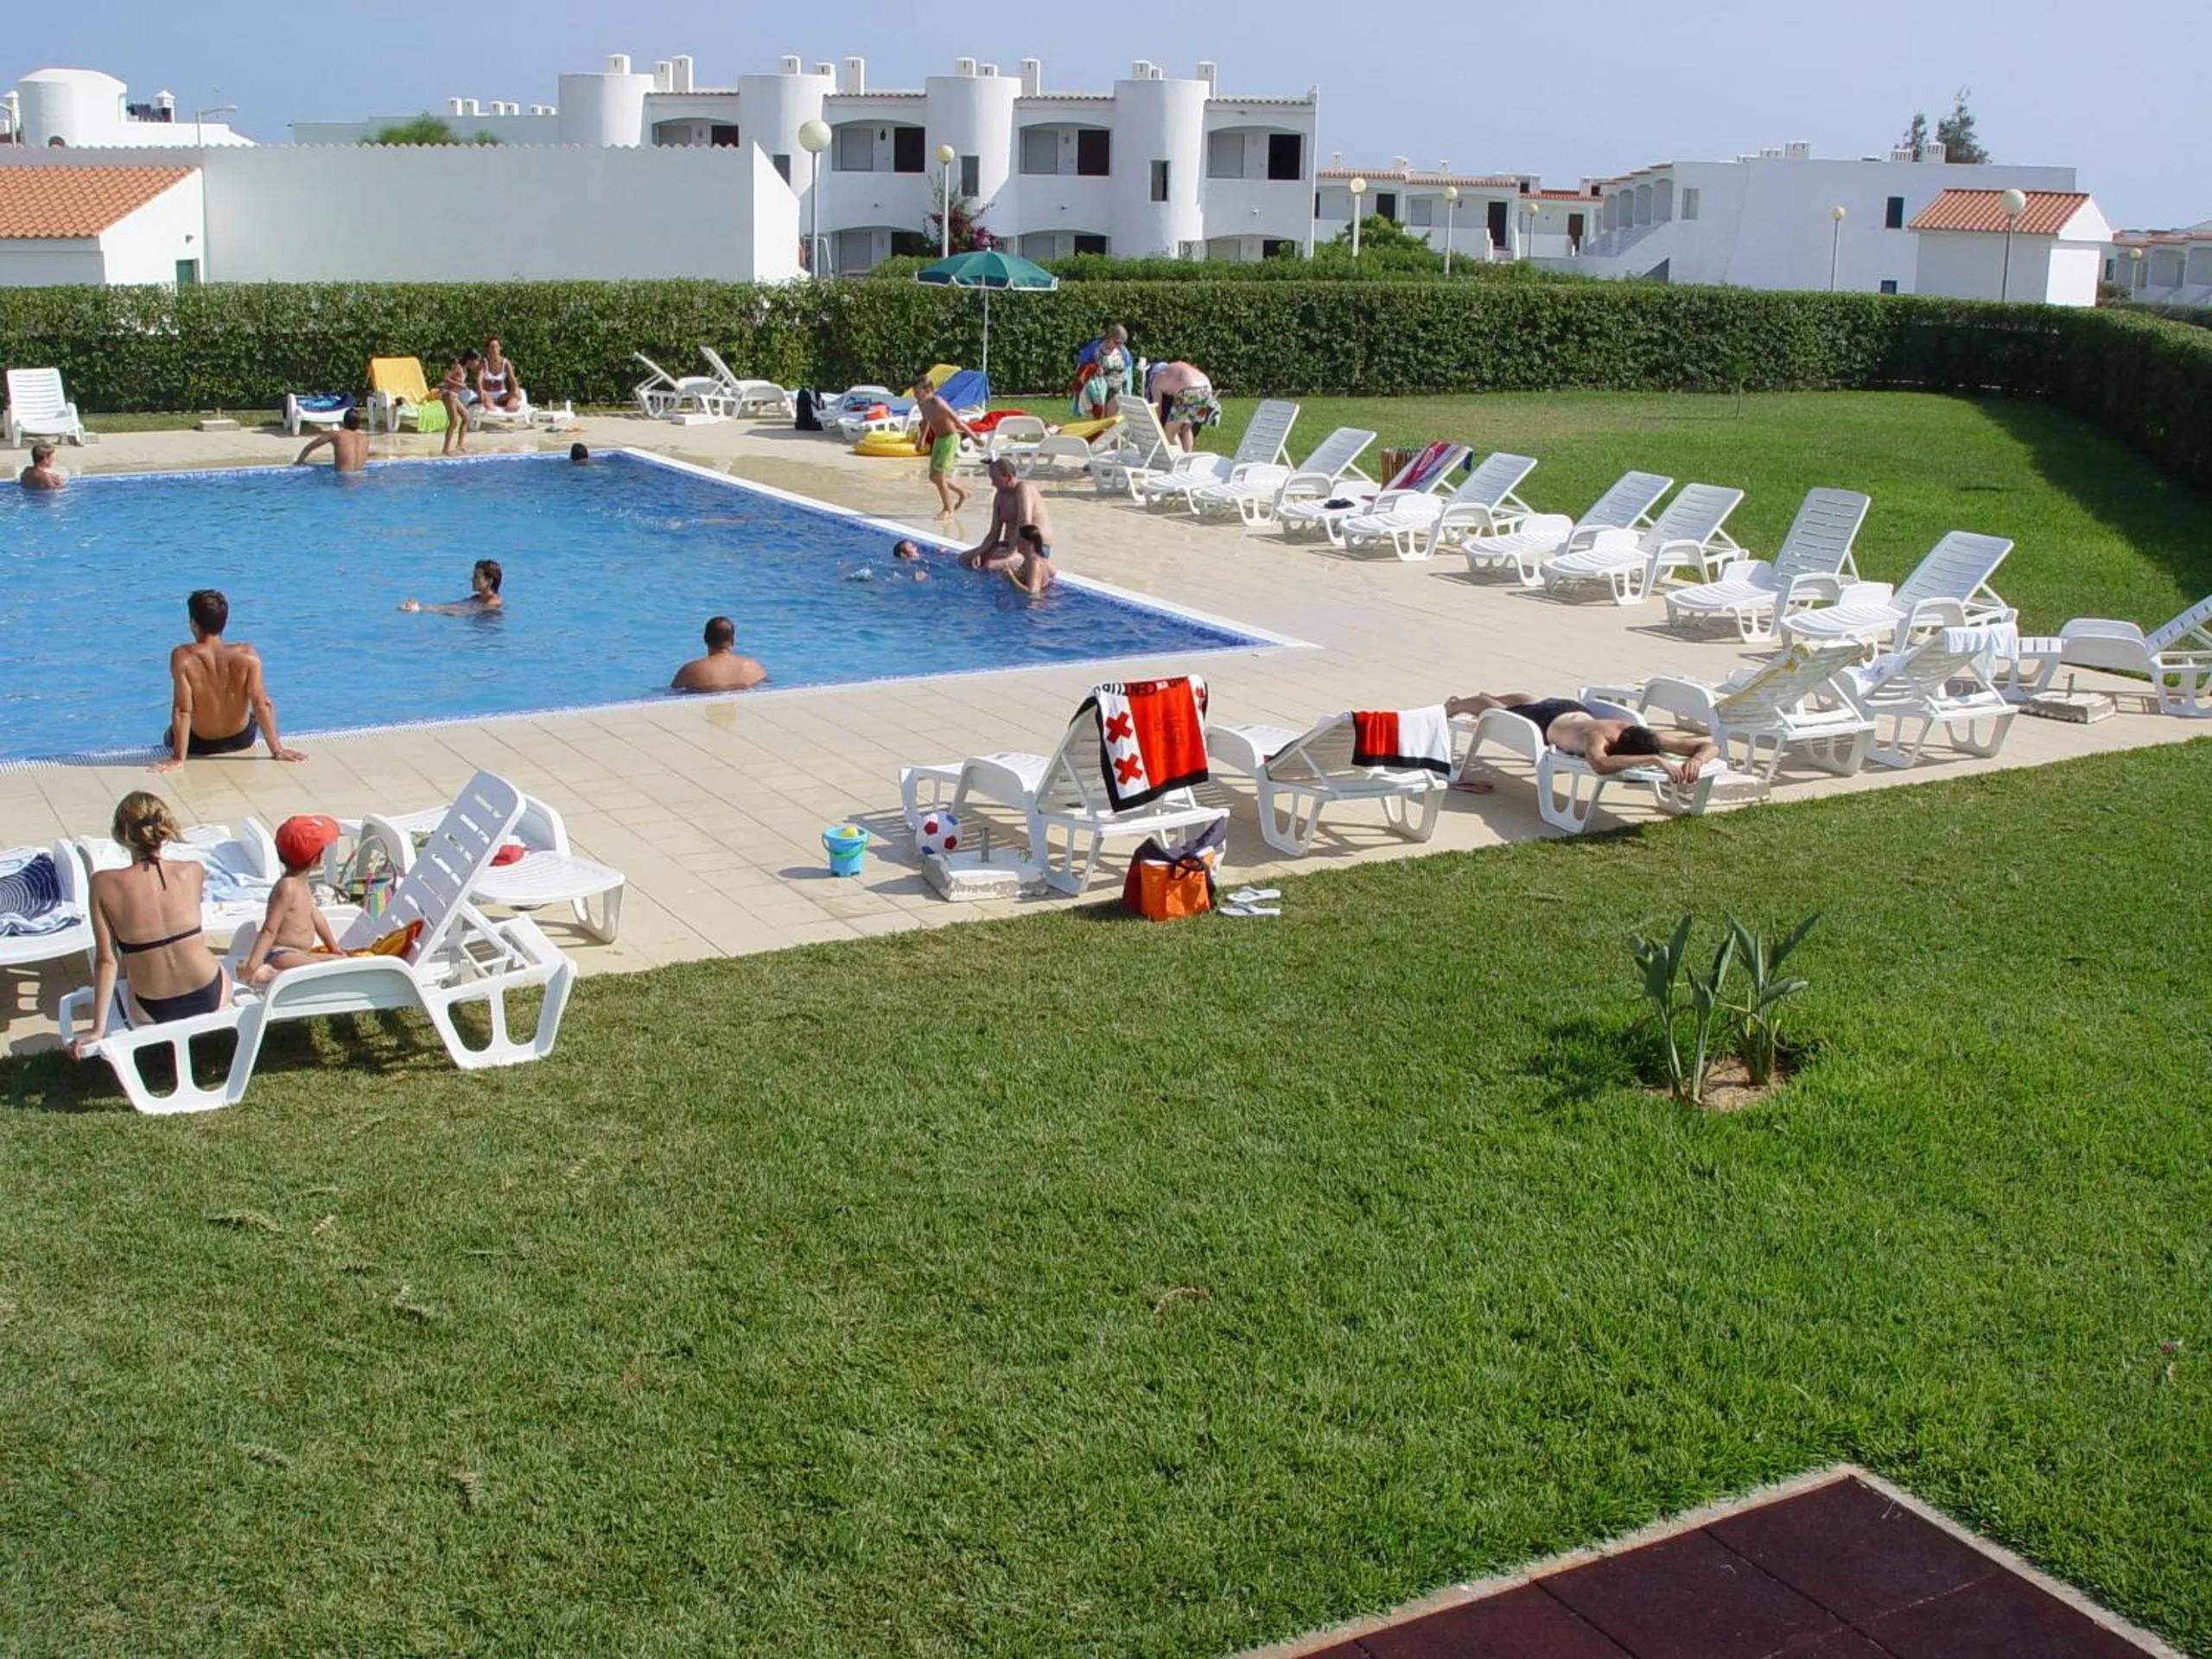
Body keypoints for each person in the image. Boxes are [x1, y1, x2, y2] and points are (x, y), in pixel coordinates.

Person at [68, 792, 231, 1053]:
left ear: (121, 835)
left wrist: (97, 1029)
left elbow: (106, 960)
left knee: (132, 960)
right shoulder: (194, 870)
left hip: (152, 1007)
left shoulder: (102, 884)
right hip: (211, 992)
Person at [155, 589, 307, 773]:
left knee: (169, 733)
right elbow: (262, 704)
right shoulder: (247, 655)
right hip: (241, 739)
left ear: (193, 623)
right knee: (251, 715)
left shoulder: (184, 657)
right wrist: (278, 750)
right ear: (224, 622)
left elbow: (182, 710)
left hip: (199, 744)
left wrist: (178, 758)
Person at [1443, 692, 1719, 789]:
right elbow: (1600, 764)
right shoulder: (1597, 738)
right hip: (1547, 721)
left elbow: (1710, 746)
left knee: (1528, 700)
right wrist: (1654, 759)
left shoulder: (1640, 733)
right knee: (1497, 710)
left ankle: (1491, 695)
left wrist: (1697, 759)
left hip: (1571, 709)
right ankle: (1455, 706)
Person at [239, 815, 344, 987]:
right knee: (318, 972)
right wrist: (253, 963)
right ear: (316, 858)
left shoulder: (303, 883)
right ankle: (265, 975)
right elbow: (269, 930)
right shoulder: (287, 887)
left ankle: (281, 974)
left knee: (341, 964)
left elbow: (317, 917)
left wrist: (334, 948)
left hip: (301, 954)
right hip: (281, 954)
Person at [958, 457, 1053, 572]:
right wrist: (979, 552)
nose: (992, 483)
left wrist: (1011, 551)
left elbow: (1025, 524)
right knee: (964, 559)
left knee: (991, 565)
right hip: (1008, 545)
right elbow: (994, 533)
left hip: (1032, 548)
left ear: (1008, 477)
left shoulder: (1023, 488)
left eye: (995, 479)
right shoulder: (999, 497)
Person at [912, 374, 976, 517]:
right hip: (939, 439)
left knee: (939, 476)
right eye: (914, 392)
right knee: (933, 477)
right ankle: (962, 492)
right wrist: (921, 439)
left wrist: (974, 437)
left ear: (928, 390)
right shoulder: (921, 403)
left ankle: (948, 509)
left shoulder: (938, 403)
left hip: (950, 439)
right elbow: (926, 421)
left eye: (917, 391)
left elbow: (957, 421)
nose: (915, 395)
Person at [671, 615, 766, 693]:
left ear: (705, 639)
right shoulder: (754, 667)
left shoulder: (689, 671)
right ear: (733, 640)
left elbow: (672, 696)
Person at [1147, 359, 1217, 453]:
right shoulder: (1173, 369)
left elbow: (1157, 409)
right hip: (1207, 390)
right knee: (1186, 429)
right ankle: (1187, 457)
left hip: (1190, 390)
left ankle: (1179, 458)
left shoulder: (1157, 379)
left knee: (1170, 433)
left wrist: (1158, 426)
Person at [401, 558, 503, 615]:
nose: (472, 579)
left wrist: (420, 608)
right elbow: (454, 606)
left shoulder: (493, 603)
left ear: (489, 581)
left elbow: (464, 611)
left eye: (476, 577)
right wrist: (421, 606)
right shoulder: (476, 598)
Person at [293, 409, 369, 473]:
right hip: (361, 479)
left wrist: (298, 462)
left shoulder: (336, 434)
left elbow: (308, 448)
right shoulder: (365, 439)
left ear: (344, 422)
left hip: (342, 479)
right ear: (358, 423)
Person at [433, 351, 475, 455]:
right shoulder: (458, 367)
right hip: (448, 394)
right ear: (470, 360)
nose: (476, 364)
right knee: (454, 421)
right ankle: (446, 449)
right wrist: (458, 384)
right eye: (475, 361)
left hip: (454, 395)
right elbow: (445, 377)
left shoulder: (465, 370)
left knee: (466, 417)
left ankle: (460, 445)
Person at [1004, 524, 1055, 595]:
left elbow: (1033, 593)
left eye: (1019, 540)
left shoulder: (1034, 562)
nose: (1017, 543)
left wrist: (1011, 577)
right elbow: (1053, 574)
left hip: (1033, 601)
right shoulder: (1039, 559)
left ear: (1029, 543)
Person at [476, 336, 524, 413]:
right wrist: (481, 395)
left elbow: (513, 381)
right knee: (488, 404)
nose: (494, 350)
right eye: (492, 347)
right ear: (488, 349)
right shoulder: (484, 363)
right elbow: (479, 381)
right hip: (488, 394)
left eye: (496, 347)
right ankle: (491, 407)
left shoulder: (506, 363)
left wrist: (508, 395)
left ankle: (511, 407)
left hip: (502, 394)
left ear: (500, 348)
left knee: (514, 397)